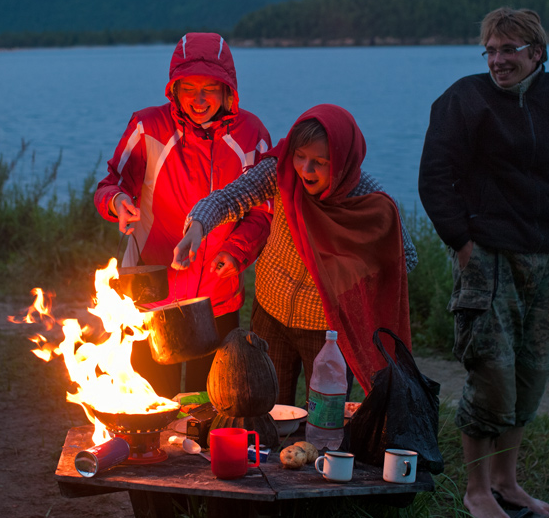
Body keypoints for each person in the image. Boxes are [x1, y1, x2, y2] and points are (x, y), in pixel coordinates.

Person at [418, 7, 549, 518]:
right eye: (491, 51)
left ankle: (507, 481)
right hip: (489, 260)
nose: (498, 61)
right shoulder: (464, 99)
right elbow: (435, 178)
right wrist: (463, 243)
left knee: (531, 374)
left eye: (509, 50)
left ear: (536, 53)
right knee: (492, 375)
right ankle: (478, 491)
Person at [173, 103, 417, 406]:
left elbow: (405, 257)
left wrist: (352, 262)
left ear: (342, 161)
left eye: (320, 161)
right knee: (263, 406)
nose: (305, 169)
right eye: (300, 156)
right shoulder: (282, 171)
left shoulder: (366, 198)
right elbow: (231, 196)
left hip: (328, 328)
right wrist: (197, 225)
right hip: (271, 312)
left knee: (326, 418)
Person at [94, 32, 272, 397]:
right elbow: (110, 183)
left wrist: (236, 252)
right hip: (151, 295)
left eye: (210, 87)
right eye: (188, 88)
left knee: (212, 399)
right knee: (149, 400)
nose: (199, 99)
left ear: (228, 90)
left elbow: (262, 212)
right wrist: (117, 203)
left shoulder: (251, 135)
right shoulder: (148, 128)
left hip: (217, 296)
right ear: (173, 89)